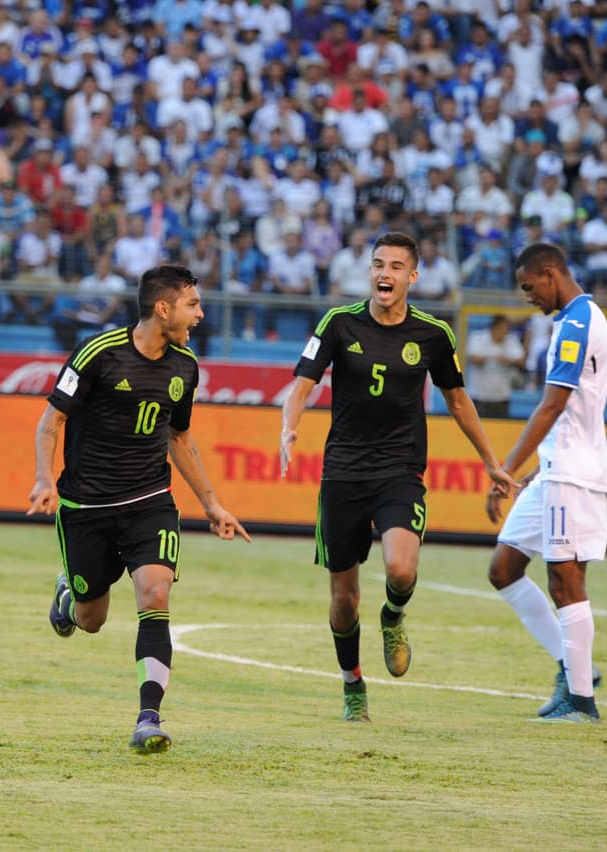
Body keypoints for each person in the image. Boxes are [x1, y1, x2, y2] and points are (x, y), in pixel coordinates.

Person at [279, 231, 516, 723]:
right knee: (344, 599)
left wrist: (491, 461)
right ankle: (353, 686)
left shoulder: (433, 335)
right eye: (377, 264)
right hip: (343, 473)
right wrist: (289, 426)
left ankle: (392, 616)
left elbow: (457, 400)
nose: (384, 274)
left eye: (395, 266)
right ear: (369, 272)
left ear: (413, 275)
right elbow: (302, 384)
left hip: (399, 471)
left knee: (401, 570)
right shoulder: (338, 323)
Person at [27, 264, 251, 754]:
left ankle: (149, 718)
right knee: (91, 620)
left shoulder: (185, 366)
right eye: (193, 304)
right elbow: (51, 420)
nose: (200, 313)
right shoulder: (98, 354)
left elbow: (180, 436)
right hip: (85, 507)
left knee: (155, 594)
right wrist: (45, 479)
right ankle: (71, 592)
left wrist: (212, 505)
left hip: (150, 502)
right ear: (163, 307)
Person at [485, 243, 607, 724]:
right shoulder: (570, 321)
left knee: (566, 580)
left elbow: (554, 405)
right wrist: (532, 469)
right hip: (555, 467)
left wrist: (507, 468)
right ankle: (573, 666)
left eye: (528, 287)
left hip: (573, 473)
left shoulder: (579, 321)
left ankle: (580, 700)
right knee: (504, 568)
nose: (528, 297)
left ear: (549, 273)